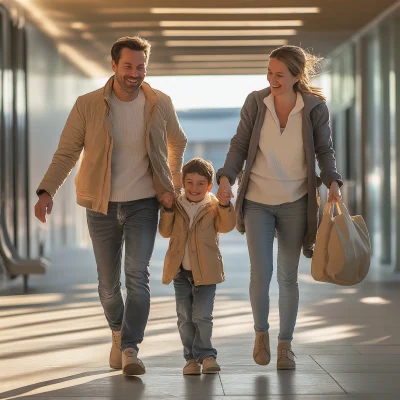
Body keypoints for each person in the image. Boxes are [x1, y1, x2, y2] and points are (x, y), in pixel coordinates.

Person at [34, 36, 187, 376]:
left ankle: (131, 348)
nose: (135, 73)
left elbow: (178, 140)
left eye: (141, 66)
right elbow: (67, 152)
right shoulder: (88, 104)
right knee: (107, 284)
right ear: (114, 65)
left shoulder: (160, 102)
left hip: (143, 204)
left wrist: (171, 185)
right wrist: (47, 191)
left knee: (137, 276)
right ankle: (117, 331)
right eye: (129, 66)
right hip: (100, 205)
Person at [216, 45, 343, 370]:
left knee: (288, 277)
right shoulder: (256, 102)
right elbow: (240, 143)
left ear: (297, 76)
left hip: (296, 203)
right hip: (257, 200)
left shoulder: (314, 108)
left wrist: (332, 181)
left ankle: (285, 345)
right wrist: (227, 177)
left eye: (280, 74)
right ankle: (261, 334)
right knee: (261, 274)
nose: (272, 79)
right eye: (269, 72)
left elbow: (324, 150)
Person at [159, 158, 236, 375]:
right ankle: (191, 358)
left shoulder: (213, 206)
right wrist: (166, 209)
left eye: (201, 183)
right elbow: (165, 231)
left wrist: (224, 204)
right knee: (184, 317)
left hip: (207, 273)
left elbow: (227, 225)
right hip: (180, 273)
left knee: (202, 315)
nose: (195, 188)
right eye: (190, 183)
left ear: (210, 186)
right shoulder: (176, 205)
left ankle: (207, 355)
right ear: (183, 183)